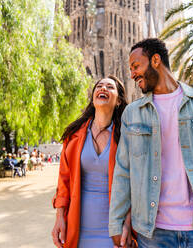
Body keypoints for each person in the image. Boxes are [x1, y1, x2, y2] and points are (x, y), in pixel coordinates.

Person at [109, 38, 193, 248]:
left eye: (136, 66)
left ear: (155, 60)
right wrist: (116, 224)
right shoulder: (132, 114)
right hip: (153, 234)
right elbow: (123, 171)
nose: (132, 74)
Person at [52, 76, 132, 248]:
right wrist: (59, 217)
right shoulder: (74, 135)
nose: (103, 88)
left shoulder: (127, 137)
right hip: (78, 228)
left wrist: (128, 223)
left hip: (114, 230)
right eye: (99, 86)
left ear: (118, 100)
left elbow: (135, 184)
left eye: (109, 87)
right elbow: (64, 181)